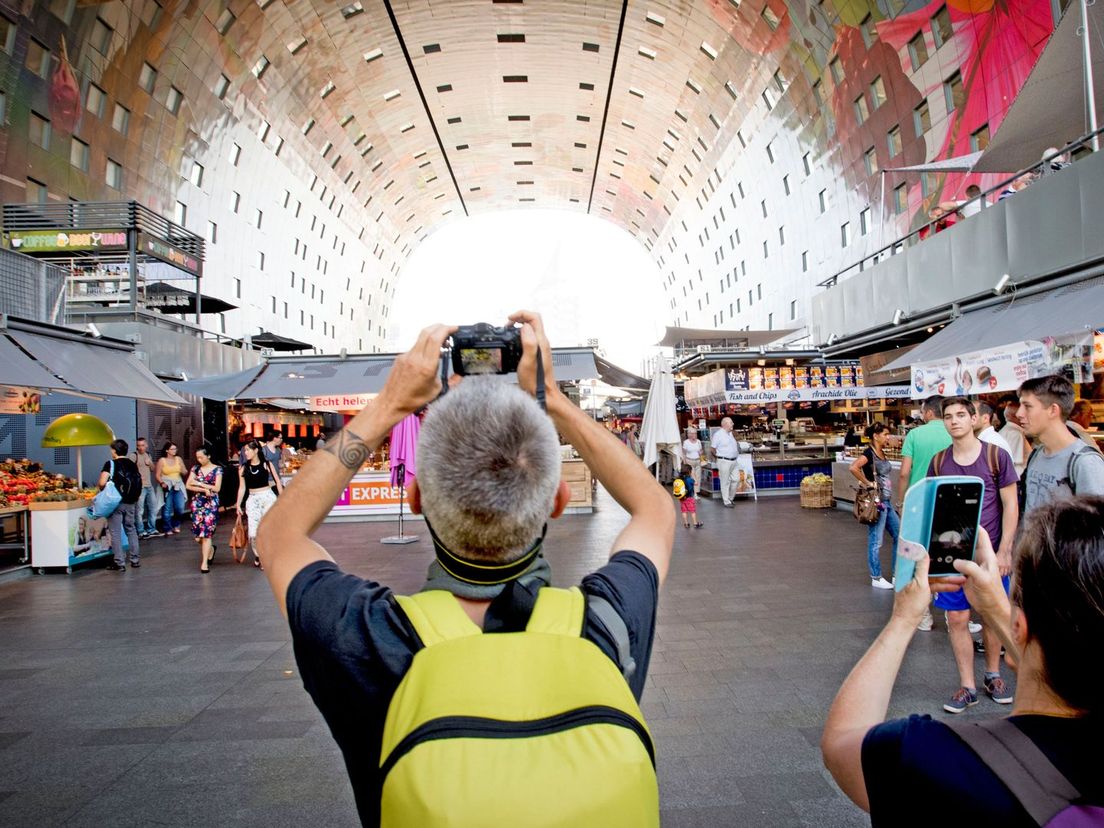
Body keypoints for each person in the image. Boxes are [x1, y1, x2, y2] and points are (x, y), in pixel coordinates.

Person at [256, 312, 674, 824]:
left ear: (415, 497)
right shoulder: (606, 625)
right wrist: (554, 400)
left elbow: (278, 535)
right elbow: (654, 507)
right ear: (559, 500)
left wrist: (389, 405)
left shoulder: (364, 636)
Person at [822, 497, 1104, 824]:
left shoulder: (937, 759)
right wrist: (1000, 609)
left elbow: (840, 743)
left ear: (1020, 627)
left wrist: (903, 619)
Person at [927, 397, 1019, 713]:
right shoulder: (939, 462)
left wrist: (1005, 549)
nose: (954, 421)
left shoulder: (996, 456)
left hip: (991, 554)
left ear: (974, 418)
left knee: (991, 615)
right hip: (952, 553)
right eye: (948, 416)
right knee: (957, 618)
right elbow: (934, 508)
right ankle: (967, 685)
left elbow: (1011, 505)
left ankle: (993, 675)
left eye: (961, 415)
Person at [895, 396, 951, 630]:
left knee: (919, 557)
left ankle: (924, 616)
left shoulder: (915, 435)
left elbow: (904, 472)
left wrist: (901, 500)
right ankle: (955, 615)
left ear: (928, 413)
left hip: (919, 501)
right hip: (949, 499)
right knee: (950, 555)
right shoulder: (953, 431)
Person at [1018, 375, 1104, 514]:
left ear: (1053, 410)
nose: (1019, 413)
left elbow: (1096, 528)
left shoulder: (1085, 463)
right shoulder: (1037, 454)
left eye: (1027, 406)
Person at [850, 423, 897, 590]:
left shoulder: (882, 451)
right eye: (885, 434)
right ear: (876, 436)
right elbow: (854, 467)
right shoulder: (868, 453)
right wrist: (868, 483)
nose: (888, 437)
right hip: (877, 502)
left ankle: (896, 574)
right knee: (876, 540)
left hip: (887, 501)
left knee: (898, 535)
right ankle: (876, 577)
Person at [234, 440, 284, 568]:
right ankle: (258, 554)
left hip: (267, 497)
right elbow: (242, 487)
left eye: (248, 450)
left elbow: (277, 481)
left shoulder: (267, 464)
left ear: (256, 450)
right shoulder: (243, 468)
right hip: (252, 498)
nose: (245, 453)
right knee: (253, 532)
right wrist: (238, 504)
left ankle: (264, 557)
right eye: (245, 450)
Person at [97, 439, 143, 572]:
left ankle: (119, 562)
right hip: (131, 502)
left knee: (115, 532)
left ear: (114, 451)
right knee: (131, 529)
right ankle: (135, 560)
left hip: (115, 503)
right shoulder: (132, 464)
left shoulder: (110, 464)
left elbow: (101, 482)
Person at [185, 445, 223, 574]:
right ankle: (210, 549)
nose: (199, 459)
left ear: (209, 456)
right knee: (198, 537)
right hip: (197, 503)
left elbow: (217, 488)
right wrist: (203, 489)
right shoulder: (195, 469)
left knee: (206, 534)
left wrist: (200, 483)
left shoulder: (217, 469)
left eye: (201, 457)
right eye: (197, 457)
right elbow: (188, 485)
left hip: (211, 504)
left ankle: (204, 563)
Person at [128, 437, 161, 539]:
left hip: (149, 486)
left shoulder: (148, 454)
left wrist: (150, 462)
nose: (141, 447)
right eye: (138, 445)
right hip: (140, 487)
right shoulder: (134, 455)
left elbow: (152, 469)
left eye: (142, 445)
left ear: (146, 445)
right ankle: (141, 531)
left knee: (153, 508)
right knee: (139, 510)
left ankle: (151, 529)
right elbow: (129, 470)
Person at [156, 442, 188, 534]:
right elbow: (157, 475)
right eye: (172, 449)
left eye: (175, 449)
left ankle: (176, 524)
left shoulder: (178, 459)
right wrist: (162, 483)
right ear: (167, 450)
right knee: (167, 507)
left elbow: (185, 472)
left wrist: (183, 470)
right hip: (167, 485)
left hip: (178, 485)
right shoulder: (162, 460)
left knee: (180, 507)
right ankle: (167, 527)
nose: (175, 451)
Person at [710, 417, 741, 507]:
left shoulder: (730, 433)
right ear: (725, 424)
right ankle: (726, 501)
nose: (733, 424)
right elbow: (712, 449)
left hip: (734, 461)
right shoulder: (718, 435)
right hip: (724, 461)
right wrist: (719, 458)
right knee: (725, 482)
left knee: (736, 479)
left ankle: (730, 498)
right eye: (731, 422)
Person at [998, 394, 1029, 475]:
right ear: (1015, 416)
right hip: (1017, 476)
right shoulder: (1016, 434)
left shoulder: (1003, 431)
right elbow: (1016, 461)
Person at [675, 462, 703, 529]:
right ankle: (695, 523)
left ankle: (686, 524)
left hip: (682, 498)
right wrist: (693, 475)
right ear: (689, 472)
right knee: (692, 511)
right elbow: (696, 483)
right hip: (689, 498)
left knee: (684, 511)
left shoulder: (679, 479)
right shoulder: (690, 480)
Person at [681, 427, 705, 494]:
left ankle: (696, 493)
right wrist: (684, 462)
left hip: (698, 461)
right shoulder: (686, 442)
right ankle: (691, 492)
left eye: (695, 433)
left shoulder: (698, 441)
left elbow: (700, 451)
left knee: (698, 477)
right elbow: (684, 453)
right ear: (689, 434)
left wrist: (701, 453)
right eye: (693, 433)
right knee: (693, 477)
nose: (695, 435)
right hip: (689, 461)